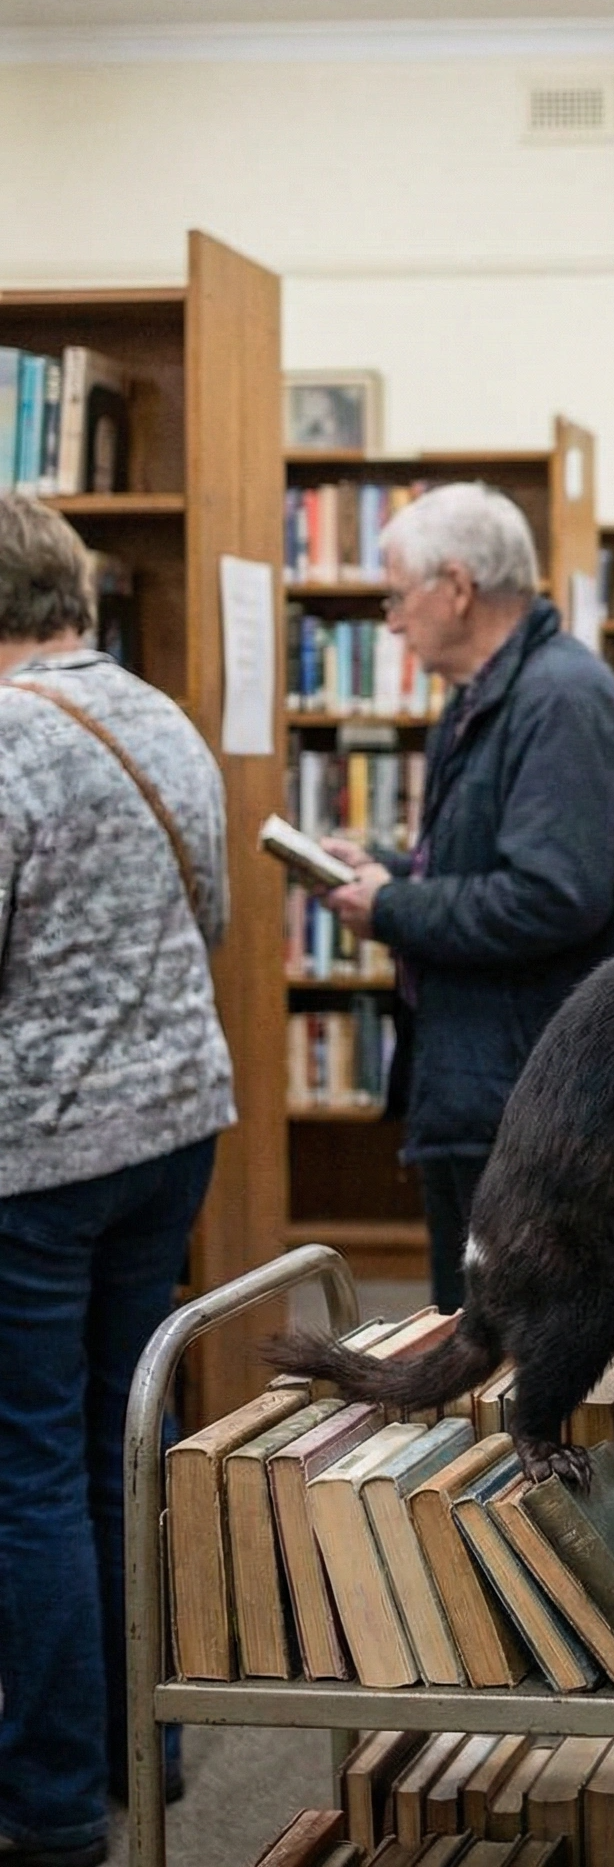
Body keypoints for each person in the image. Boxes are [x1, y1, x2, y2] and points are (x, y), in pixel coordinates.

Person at [0, 495, 235, 1867]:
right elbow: (205, 911)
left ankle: (46, 1803)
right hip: (171, 1132)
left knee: (24, 1462)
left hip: (37, 1153)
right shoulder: (162, 719)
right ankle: (139, 1745)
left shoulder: (8, 741)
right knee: (110, 1437)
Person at [321, 483, 614, 1313]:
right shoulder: (487, 699)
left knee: (518, 1368)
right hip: (495, 1082)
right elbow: (491, 861)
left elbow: (552, 896)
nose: (392, 621)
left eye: (397, 596)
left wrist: (393, 910)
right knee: (485, 1346)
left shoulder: (557, 701)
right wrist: (391, 872)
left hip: (535, 1104)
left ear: (458, 587)